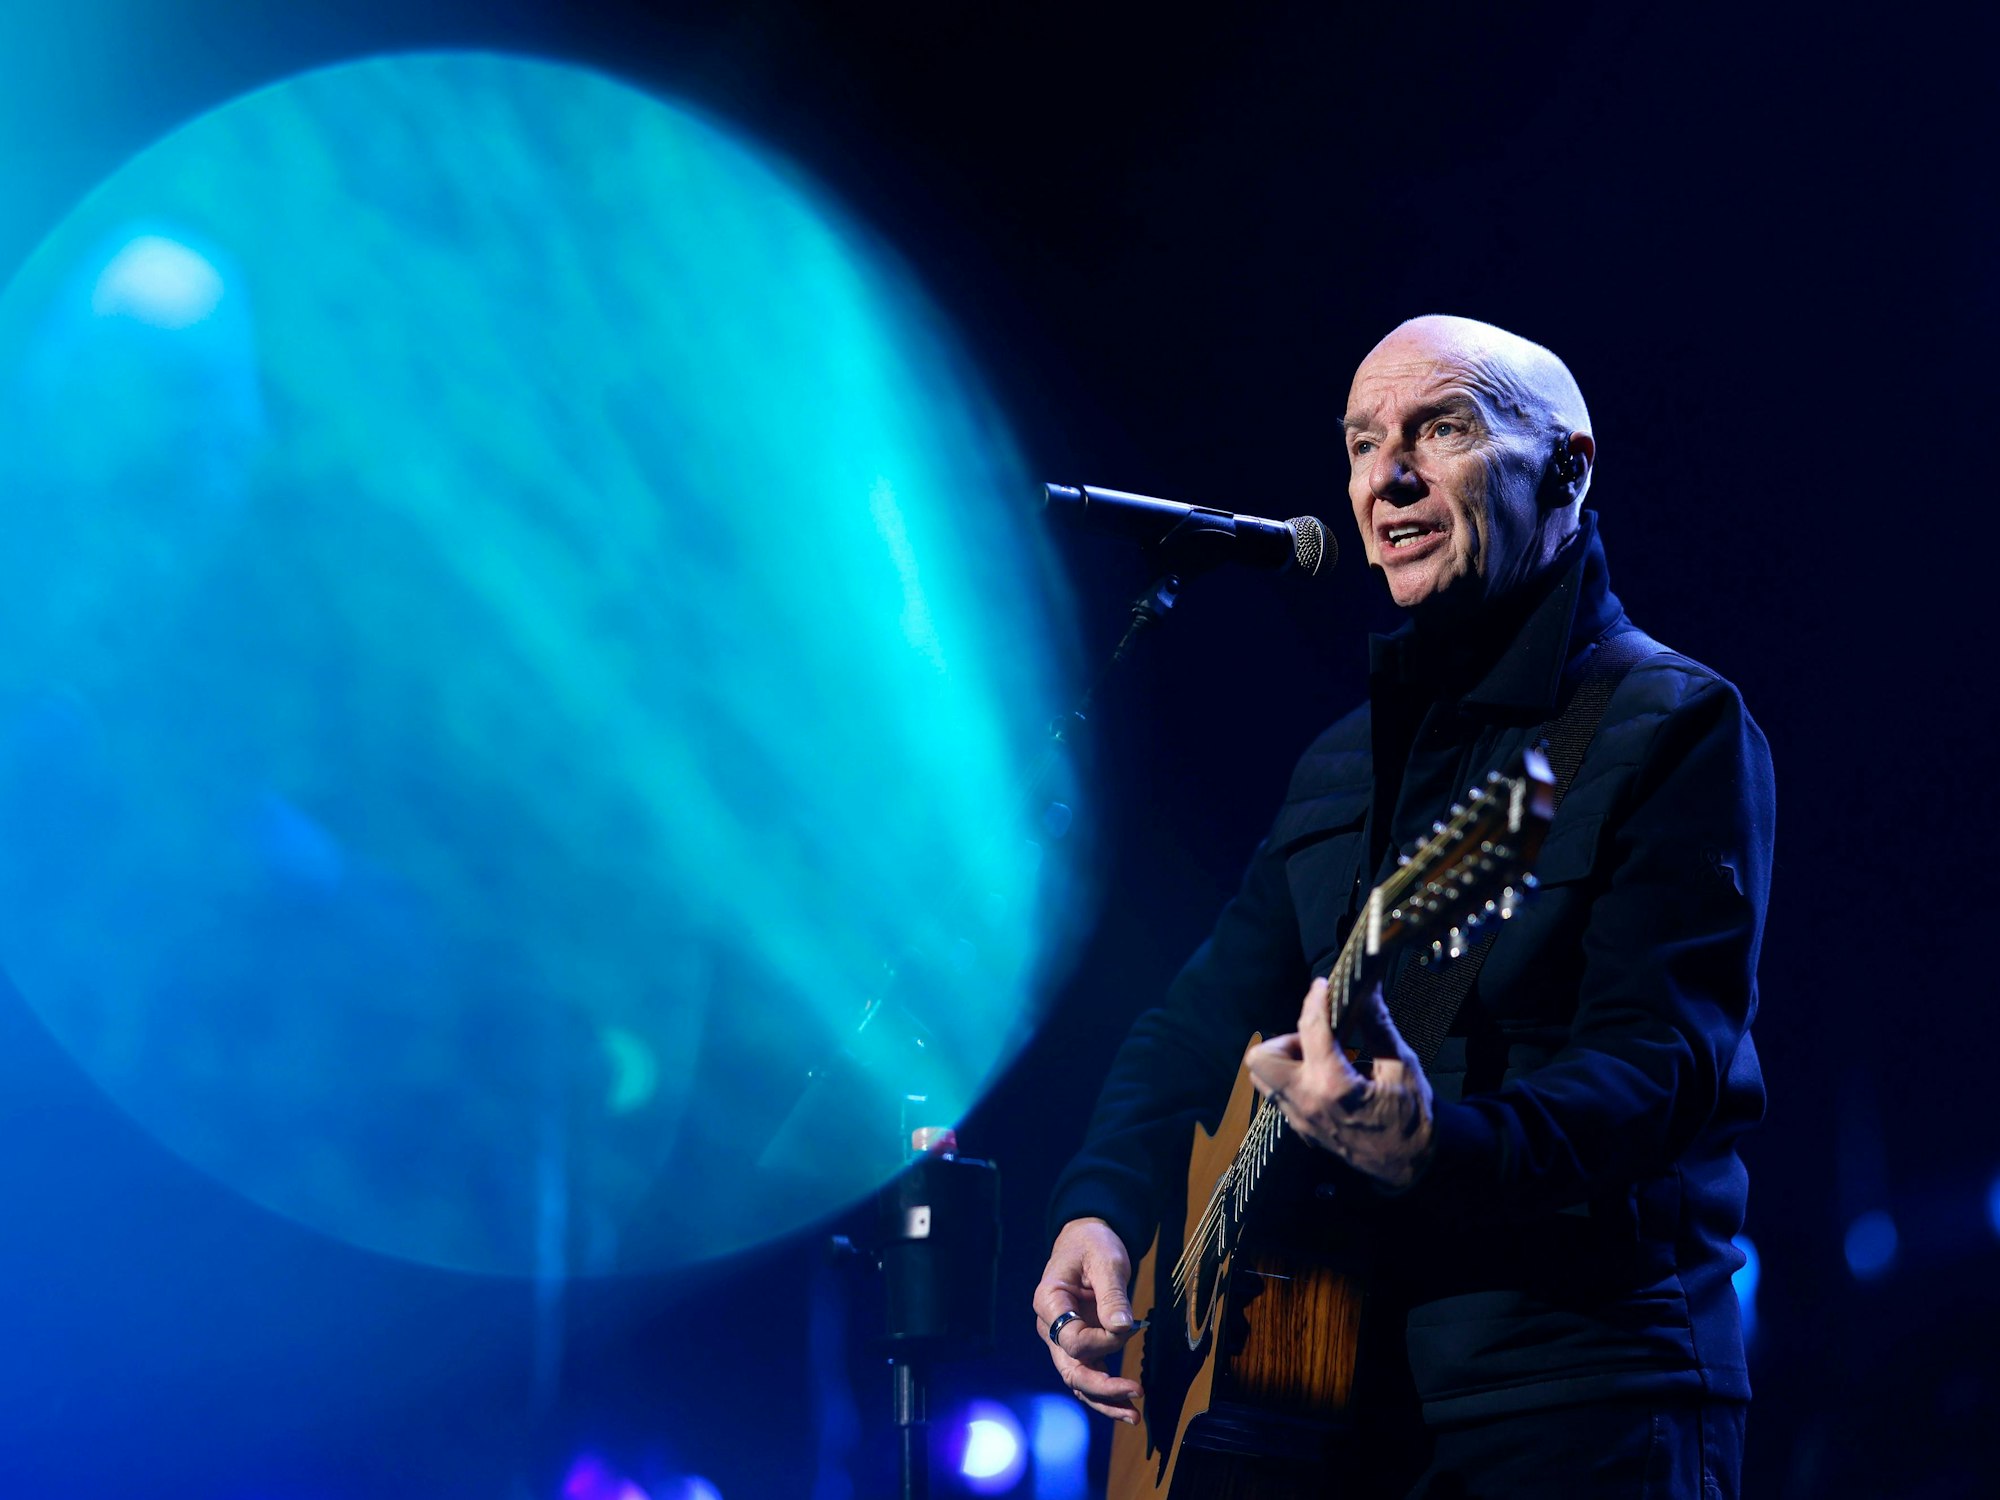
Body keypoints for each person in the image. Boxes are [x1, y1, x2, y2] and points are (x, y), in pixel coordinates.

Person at [1031, 315, 1773, 1496]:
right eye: (1361, 441)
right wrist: (1100, 1211)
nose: (1386, 477)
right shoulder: (1337, 766)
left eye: (1441, 428)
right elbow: (1191, 1026)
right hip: (1334, 1420)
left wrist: (1441, 1149)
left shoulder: (1667, 725)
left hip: (1572, 1393)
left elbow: (1661, 1062)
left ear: (1567, 468)